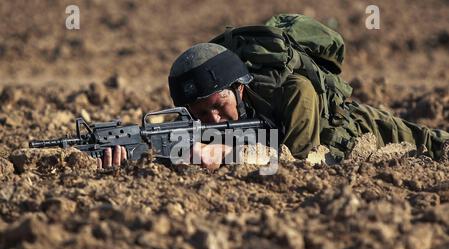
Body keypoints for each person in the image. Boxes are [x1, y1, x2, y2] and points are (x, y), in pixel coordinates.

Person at [98, 43, 449, 170]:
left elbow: (308, 160)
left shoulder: (294, 92)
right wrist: (138, 158)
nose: (213, 119)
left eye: (218, 106)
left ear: (239, 88)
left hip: (373, 134)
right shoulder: (207, 118)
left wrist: (228, 154)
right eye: (200, 114)